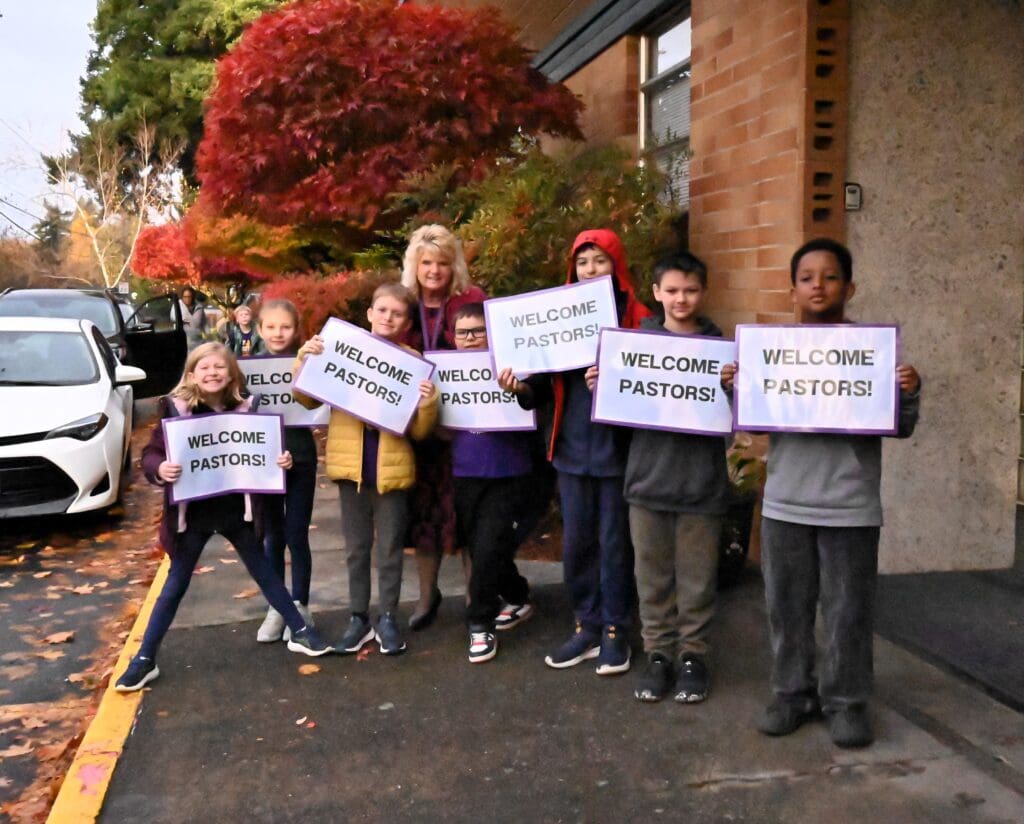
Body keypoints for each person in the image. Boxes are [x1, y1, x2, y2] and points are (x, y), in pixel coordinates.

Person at [721, 238, 921, 748]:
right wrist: (736, 386)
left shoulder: (873, 356)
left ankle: (847, 703)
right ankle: (792, 694)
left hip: (850, 505)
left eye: (830, 276)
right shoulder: (775, 355)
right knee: (787, 609)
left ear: (849, 287)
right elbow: (753, 417)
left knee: (848, 612)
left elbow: (900, 428)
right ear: (792, 290)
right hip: (787, 501)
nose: (818, 285)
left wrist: (908, 393)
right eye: (807, 277)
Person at [115, 343, 331, 692]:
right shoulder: (175, 410)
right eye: (205, 368)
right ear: (191, 375)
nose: (212, 373)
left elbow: (268, 452)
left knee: (263, 569)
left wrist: (282, 463)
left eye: (220, 367)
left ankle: (300, 630)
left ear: (232, 374)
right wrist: (160, 468)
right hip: (192, 514)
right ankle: (144, 658)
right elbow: (151, 454)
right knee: (175, 584)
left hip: (236, 509)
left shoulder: (247, 409)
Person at [499, 228, 651, 674]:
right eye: (583, 262)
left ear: (616, 265)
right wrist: (520, 386)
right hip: (570, 449)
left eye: (599, 261)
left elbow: (650, 388)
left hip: (617, 454)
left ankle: (616, 630)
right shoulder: (556, 316)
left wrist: (616, 379)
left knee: (614, 544)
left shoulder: (639, 318)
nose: (590, 270)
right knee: (579, 543)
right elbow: (540, 384)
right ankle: (586, 623)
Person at [593, 253, 728, 703]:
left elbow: (740, 414)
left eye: (690, 290)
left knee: (696, 582)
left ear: (703, 292)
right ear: (655, 294)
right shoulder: (633, 346)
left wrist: (734, 386)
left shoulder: (721, 350)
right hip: (647, 482)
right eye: (671, 290)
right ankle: (658, 655)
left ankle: (695, 656)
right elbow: (620, 415)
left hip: (701, 486)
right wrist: (604, 386)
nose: (681, 299)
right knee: (651, 579)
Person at [293, 283, 439, 656]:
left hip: (392, 470)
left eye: (398, 313)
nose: (389, 317)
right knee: (356, 549)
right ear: (370, 313)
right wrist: (304, 360)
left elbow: (421, 432)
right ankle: (358, 617)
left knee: (389, 547)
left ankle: (387, 616)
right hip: (350, 467)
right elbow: (306, 397)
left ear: (407, 322)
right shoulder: (342, 348)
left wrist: (427, 403)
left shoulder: (413, 362)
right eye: (383, 310)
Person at [399, 225, 486, 630]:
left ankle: (477, 598)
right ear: (414, 266)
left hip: (467, 430)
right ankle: (426, 595)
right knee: (424, 517)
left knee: (469, 514)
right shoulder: (403, 304)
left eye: (443, 264)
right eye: (426, 263)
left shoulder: (472, 302)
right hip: (418, 432)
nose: (434, 271)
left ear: (455, 267)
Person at [446, 303, 534, 663]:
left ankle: (480, 624)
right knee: (481, 546)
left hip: (507, 472)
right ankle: (517, 595)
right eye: (463, 332)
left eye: (478, 331)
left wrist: (519, 389)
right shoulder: (442, 372)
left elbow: (532, 401)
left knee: (488, 546)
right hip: (464, 472)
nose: (470, 339)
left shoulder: (514, 367)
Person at [254, 299, 321, 644]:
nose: (278, 333)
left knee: (297, 534)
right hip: (263, 462)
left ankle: (301, 603)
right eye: (271, 327)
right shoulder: (246, 368)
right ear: (260, 328)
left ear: (297, 330)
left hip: (302, 457)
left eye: (286, 327)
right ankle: (277, 607)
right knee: (272, 538)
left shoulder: (309, 362)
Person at [177, 286, 208, 350]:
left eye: (189, 297)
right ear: (182, 297)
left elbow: (204, 324)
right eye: (185, 297)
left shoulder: (199, 308)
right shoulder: (178, 306)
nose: (187, 299)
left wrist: (208, 339)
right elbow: (174, 318)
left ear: (192, 297)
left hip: (198, 343)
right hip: (183, 342)